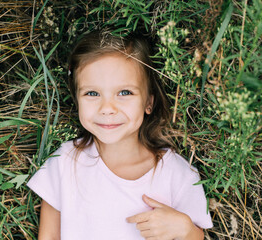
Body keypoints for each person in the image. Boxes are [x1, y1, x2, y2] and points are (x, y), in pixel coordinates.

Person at [27, 29, 213, 239]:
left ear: (148, 102)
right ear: (77, 99)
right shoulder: (65, 162)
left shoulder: (177, 174)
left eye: (124, 93)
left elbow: (196, 236)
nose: (107, 108)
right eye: (92, 93)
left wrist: (184, 228)